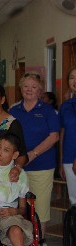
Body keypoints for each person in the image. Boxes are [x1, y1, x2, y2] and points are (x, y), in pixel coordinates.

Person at [9, 73, 59, 246]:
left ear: (40, 90)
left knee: (40, 204)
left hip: (42, 165)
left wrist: (33, 153)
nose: (29, 90)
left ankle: (41, 240)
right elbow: (9, 136)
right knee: (18, 202)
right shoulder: (14, 111)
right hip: (18, 166)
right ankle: (20, 237)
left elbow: (54, 136)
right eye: (26, 86)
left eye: (34, 87)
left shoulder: (47, 111)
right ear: (21, 89)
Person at [59, 66, 76, 205]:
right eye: (71, 77)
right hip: (69, 159)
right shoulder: (65, 106)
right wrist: (61, 162)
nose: (75, 81)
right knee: (74, 201)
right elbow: (62, 134)